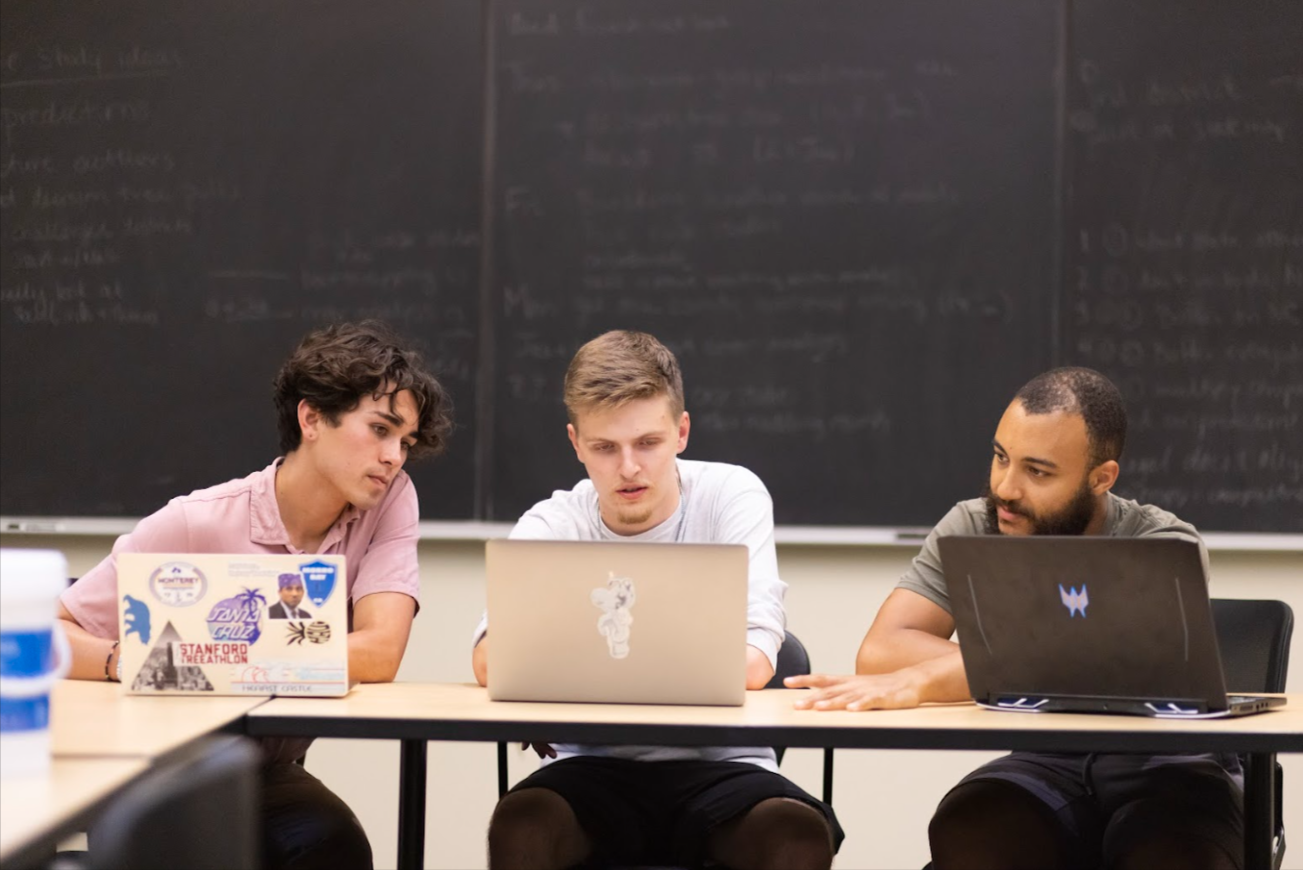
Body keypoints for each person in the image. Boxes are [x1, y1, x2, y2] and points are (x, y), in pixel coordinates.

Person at [787, 367, 1243, 870]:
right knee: (970, 828)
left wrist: (929, 678)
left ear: (1101, 478)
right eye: (1001, 457)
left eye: (1038, 472)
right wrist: (1011, 664)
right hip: (1049, 758)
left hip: (1168, 763)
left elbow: (1083, 659)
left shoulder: (1164, 546)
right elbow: (881, 653)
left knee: (1174, 855)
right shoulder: (976, 523)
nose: (1005, 488)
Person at [57, 320, 453, 870]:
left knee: (335, 846)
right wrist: (126, 659)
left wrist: (213, 657)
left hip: (268, 772)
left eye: (404, 442)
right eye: (380, 429)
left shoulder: (388, 500)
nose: (395, 457)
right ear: (311, 419)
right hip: (159, 767)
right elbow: (44, 635)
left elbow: (380, 651)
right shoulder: (194, 522)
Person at [471, 330, 842, 870]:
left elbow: (757, 660)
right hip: (590, 767)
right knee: (522, 826)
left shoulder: (730, 495)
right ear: (576, 444)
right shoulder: (553, 522)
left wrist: (558, 676)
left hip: (725, 764)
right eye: (605, 447)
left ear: (681, 432)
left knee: (796, 835)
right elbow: (491, 660)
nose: (628, 468)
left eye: (647, 443)